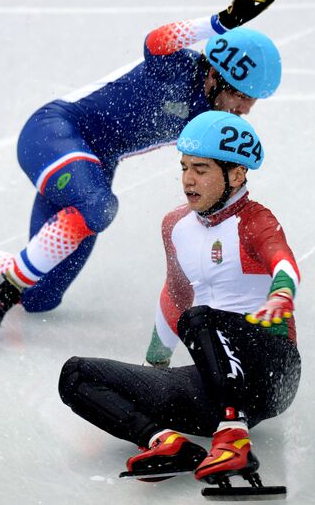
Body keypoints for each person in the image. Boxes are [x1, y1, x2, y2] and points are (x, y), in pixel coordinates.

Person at [0, 0, 281, 339]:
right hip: (55, 132)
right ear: (217, 74)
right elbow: (156, 41)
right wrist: (221, 22)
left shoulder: (211, 119)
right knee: (97, 207)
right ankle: (7, 284)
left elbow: (222, 174)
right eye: (244, 95)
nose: (247, 108)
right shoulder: (177, 69)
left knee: (40, 296)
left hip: (93, 166)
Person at [58, 110, 301, 486]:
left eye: (201, 169)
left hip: (270, 372)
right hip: (214, 384)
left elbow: (282, 259)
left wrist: (282, 292)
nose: (188, 179)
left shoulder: (254, 221)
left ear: (235, 175)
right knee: (76, 375)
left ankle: (233, 436)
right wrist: (154, 367)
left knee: (200, 316)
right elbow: (175, 293)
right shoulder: (177, 226)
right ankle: (166, 443)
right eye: (184, 166)